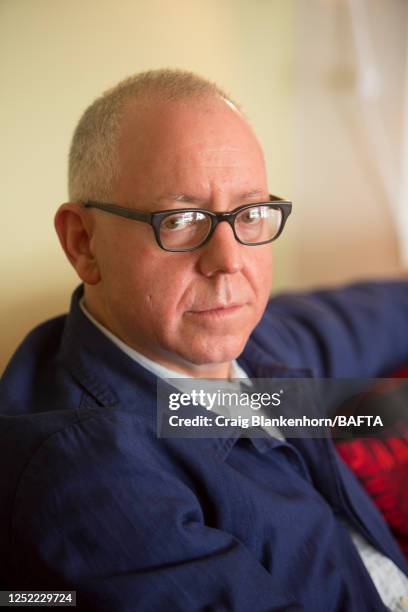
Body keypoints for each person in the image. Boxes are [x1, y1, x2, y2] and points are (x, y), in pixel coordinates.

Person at [0, 69, 407, 611]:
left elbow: (390, 310)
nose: (228, 260)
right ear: (84, 244)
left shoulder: (246, 341)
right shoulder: (93, 482)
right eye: (181, 219)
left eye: (251, 212)